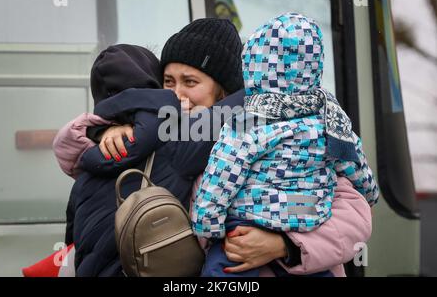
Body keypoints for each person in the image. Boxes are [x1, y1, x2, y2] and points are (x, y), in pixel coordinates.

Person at [50, 18, 372, 277]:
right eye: (168, 82)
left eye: (190, 82)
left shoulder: (285, 138)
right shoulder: (165, 145)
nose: (177, 96)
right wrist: (105, 128)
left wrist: (284, 245)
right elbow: (78, 160)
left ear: (223, 94)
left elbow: (355, 220)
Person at [191, 13, 379, 277]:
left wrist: (208, 225)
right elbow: (353, 161)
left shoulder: (247, 121)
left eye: (190, 82)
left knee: (221, 269)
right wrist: (370, 191)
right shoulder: (328, 119)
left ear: (253, 68)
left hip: (246, 218)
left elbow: (222, 172)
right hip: (308, 213)